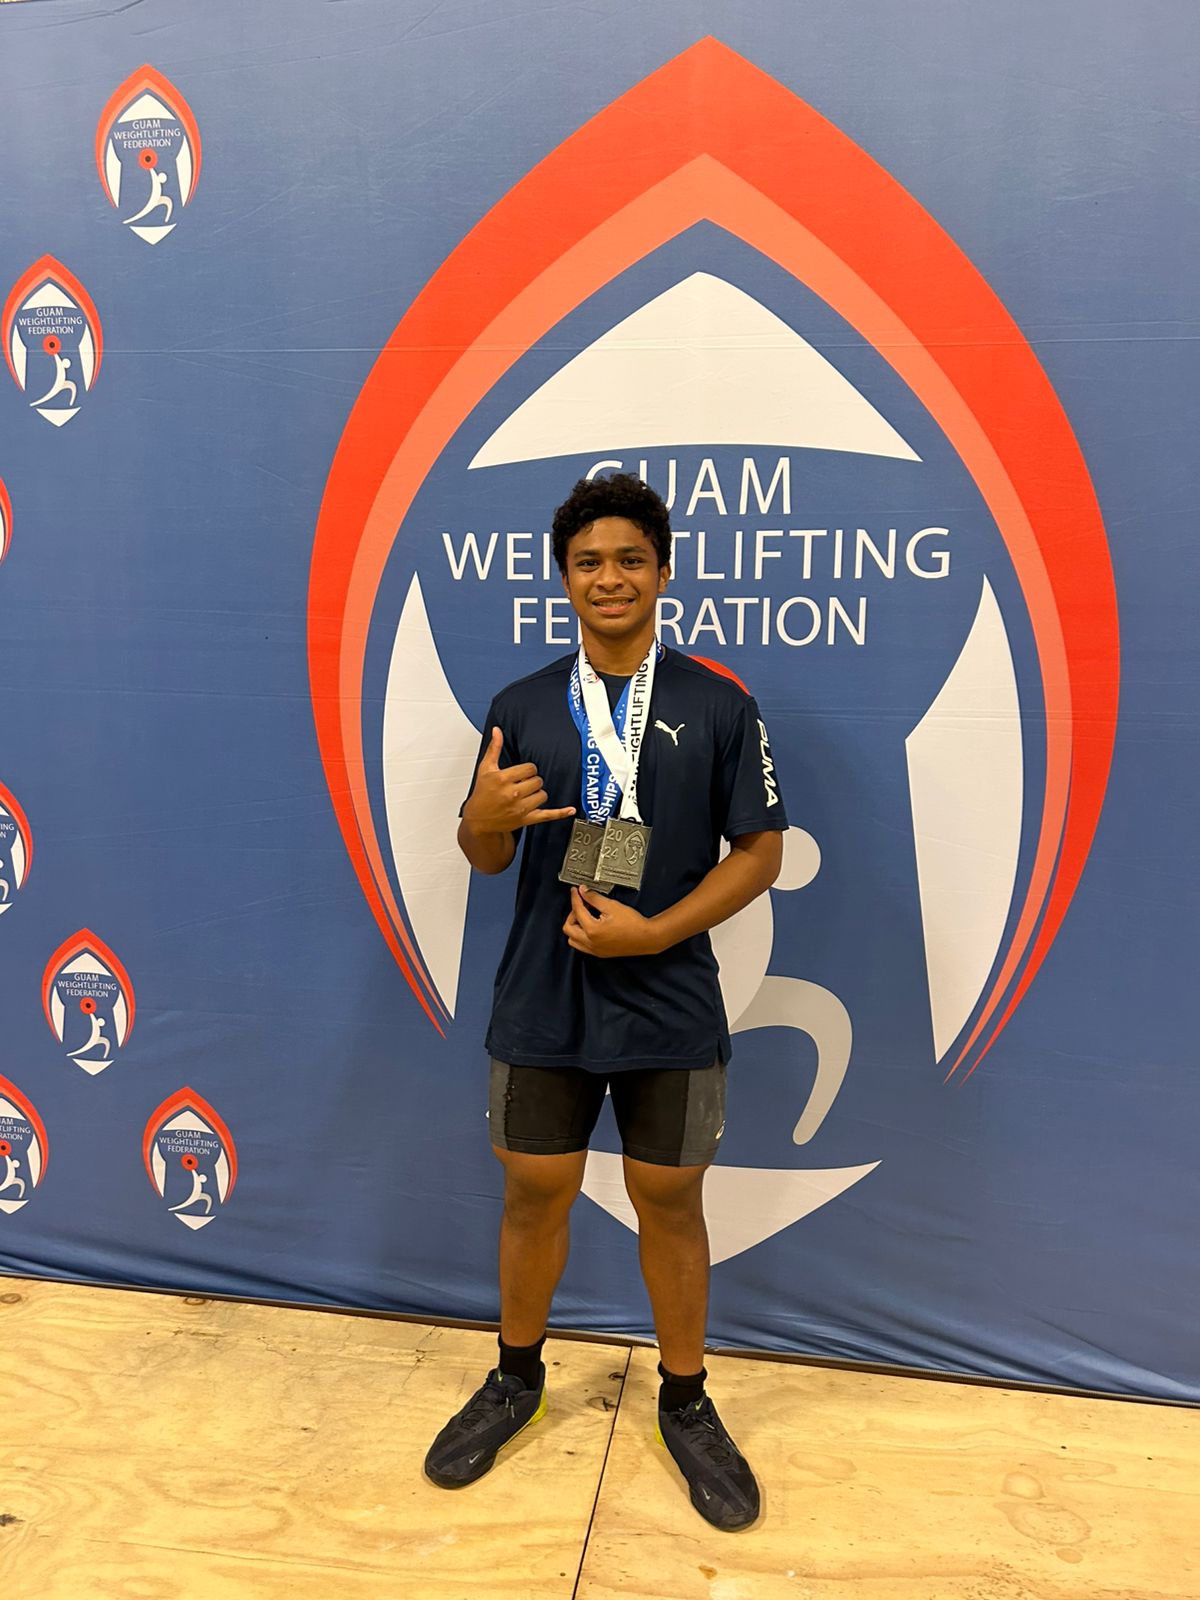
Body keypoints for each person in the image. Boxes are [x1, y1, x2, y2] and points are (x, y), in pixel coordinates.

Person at [424, 473, 787, 1531]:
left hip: (668, 994)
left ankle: (685, 1400)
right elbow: (488, 857)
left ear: (663, 573)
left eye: (631, 558)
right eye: (589, 562)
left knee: (669, 1200)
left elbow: (760, 852)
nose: (610, 577)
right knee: (534, 1191)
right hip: (544, 996)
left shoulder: (718, 704)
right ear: (564, 579)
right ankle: (515, 1380)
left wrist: (656, 930)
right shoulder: (522, 705)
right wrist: (477, 819)